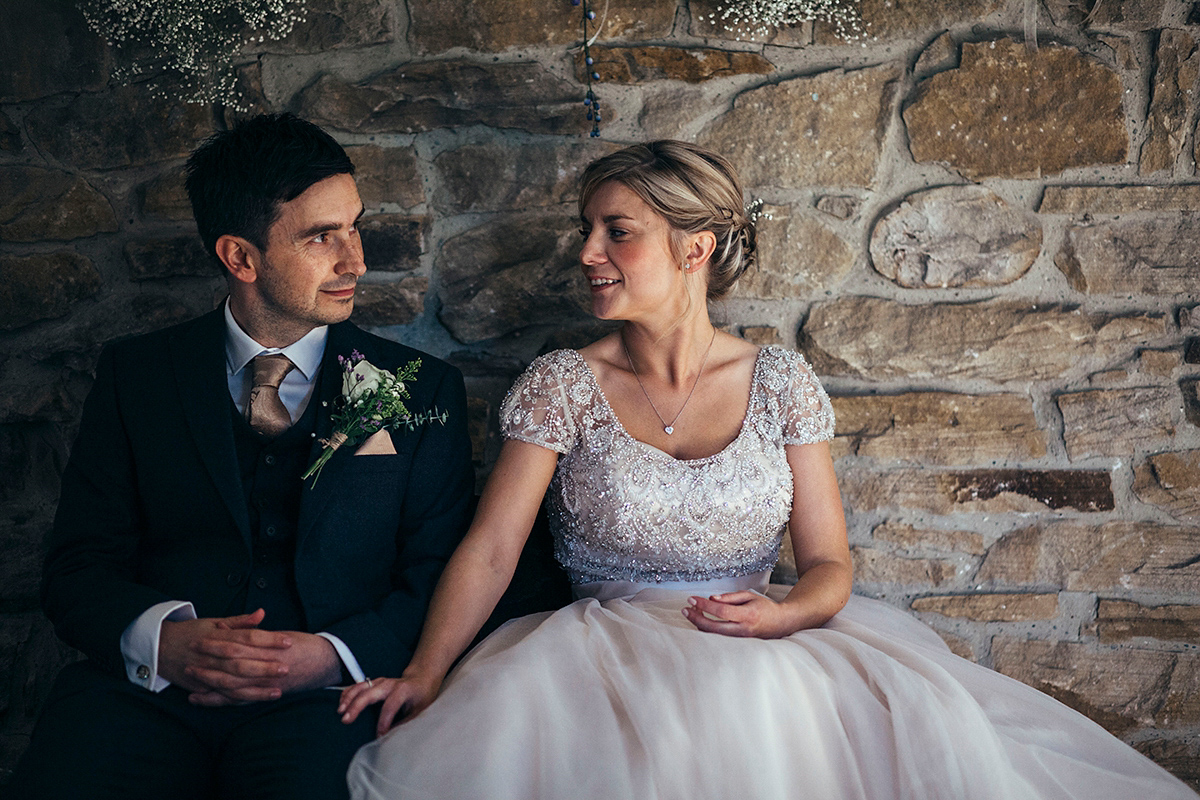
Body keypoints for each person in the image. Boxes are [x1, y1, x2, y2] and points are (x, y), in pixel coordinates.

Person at [339, 140, 1198, 799]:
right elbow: (491, 551)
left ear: (695, 247)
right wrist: (425, 672)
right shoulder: (564, 383)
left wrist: (787, 618)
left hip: (766, 648)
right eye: (586, 230)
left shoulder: (779, 381)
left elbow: (828, 567)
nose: (587, 251)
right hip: (594, 660)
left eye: (617, 232)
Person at [8, 113, 475, 800]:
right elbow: (78, 567)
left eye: (355, 226)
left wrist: (331, 658)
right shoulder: (137, 377)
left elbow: (442, 570)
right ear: (241, 257)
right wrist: (162, 642)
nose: (357, 261)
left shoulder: (421, 388)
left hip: (329, 707)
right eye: (323, 237)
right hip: (144, 702)